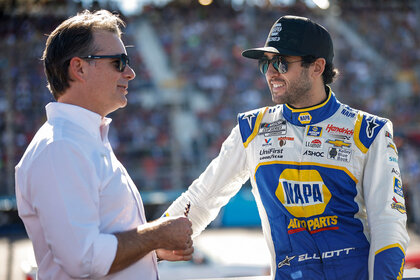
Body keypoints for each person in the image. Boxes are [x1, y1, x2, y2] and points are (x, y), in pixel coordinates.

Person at [164, 15, 409, 279]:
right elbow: (202, 198)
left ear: (317, 67)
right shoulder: (252, 129)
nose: (271, 72)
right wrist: (151, 245)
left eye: (281, 62)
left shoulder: (368, 131)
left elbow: (388, 226)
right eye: (265, 63)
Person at [15, 10, 193, 280]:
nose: (130, 73)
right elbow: (83, 259)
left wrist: (151, 248)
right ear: (79, 68)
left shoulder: (80, 140)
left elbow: (105, 240)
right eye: (119, 62)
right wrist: (157, 234)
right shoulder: (60, 147)